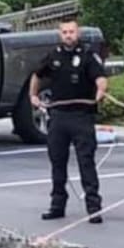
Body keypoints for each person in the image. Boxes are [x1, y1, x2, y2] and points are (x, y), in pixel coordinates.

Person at [30, 18, 108, 224]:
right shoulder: (53, 55)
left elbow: (100, 77)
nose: (68, 35)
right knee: (57, 163)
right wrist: (33, 96)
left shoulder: (88, 56)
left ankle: (93, 207)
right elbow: (37, 75)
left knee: (86, 163)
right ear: (60, 34)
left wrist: (101, 90)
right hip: (58, 116)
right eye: (64, 32)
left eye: (72, 32)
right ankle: (57, 205)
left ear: (78, 33)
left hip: (82, 116)